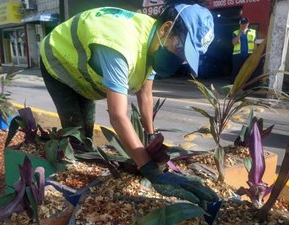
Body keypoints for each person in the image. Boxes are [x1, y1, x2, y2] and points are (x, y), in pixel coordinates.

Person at [40, 0, 218, 206]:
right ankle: (67, 191)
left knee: (86, 131)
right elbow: (117, 115)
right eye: (180, 49)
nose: (180, 59)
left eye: (185, 57)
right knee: (76, 133)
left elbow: (146, 94)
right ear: (166, 28)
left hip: (85, 75)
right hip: (59, 61)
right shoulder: (120, 46)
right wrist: (149, 168)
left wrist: (150, 137)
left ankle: (80, 162)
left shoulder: (154, 41)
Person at [230, 17, 257, 83]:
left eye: (244, 23)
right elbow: (234, 43)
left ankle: (246, 88)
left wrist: (254, 55)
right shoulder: (235, 32)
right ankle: (233, 87)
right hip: (237, 56)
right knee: (236, 71)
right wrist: (240, 33)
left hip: (248, 55)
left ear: (248, 24)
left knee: (247, 72)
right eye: (241, 23)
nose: (243, 25)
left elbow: (255, 44)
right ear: (239, 24)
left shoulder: (253, 32)